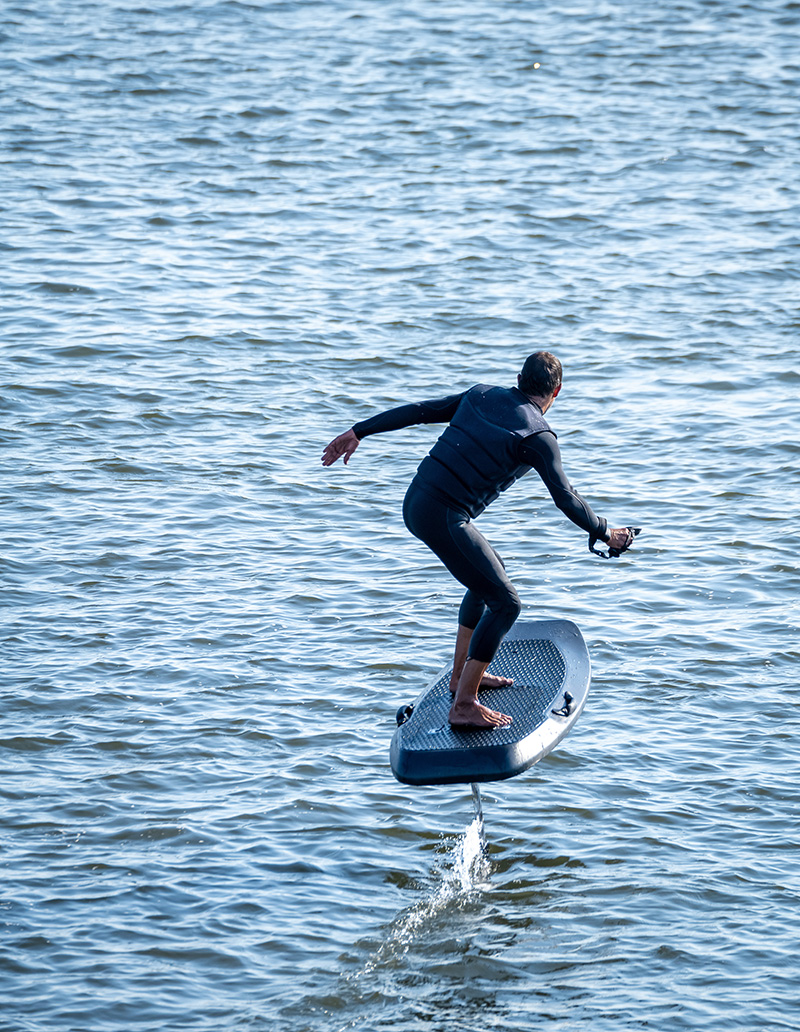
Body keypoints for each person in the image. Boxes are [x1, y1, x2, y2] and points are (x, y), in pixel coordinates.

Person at [322, 351, 638, 731]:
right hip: (442, 515)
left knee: (489, 578)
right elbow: (566, 498)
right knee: (506, 603)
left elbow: (420, 410)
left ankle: (461, 677)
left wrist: (359, 430)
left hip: (418, 500)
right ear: (557, 391)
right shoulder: (538, 436)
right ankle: (465, 702)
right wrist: (607, 531)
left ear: (519, 378)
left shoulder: (481, 395)